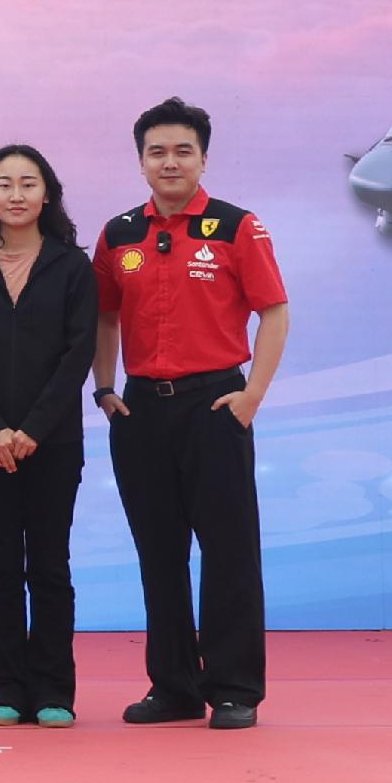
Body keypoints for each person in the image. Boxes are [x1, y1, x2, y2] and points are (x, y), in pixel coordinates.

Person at [96, 99, 290, 731]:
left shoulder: (236, 227)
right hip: (141, 410)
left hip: (216, 406)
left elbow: (274, 311)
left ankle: (234, 687)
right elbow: (103, 315)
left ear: (203, 158)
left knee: (229, 550)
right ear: (141, 162)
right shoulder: (119, 234)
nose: (170, 162)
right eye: (157, 152)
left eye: (183, 151)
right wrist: (105, 388)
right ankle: (173, 686)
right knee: (159, 552)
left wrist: (252, 395)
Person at [0, 145, 98, 730]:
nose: (15, 194)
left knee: (50, 566)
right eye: (3, 184)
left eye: (27, 183)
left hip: (52, 443)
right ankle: (7, 687)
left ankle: (54, 689)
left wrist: (33, 428)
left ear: (47, 193)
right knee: (1, 568)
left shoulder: (71, 266)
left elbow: (77, 354)